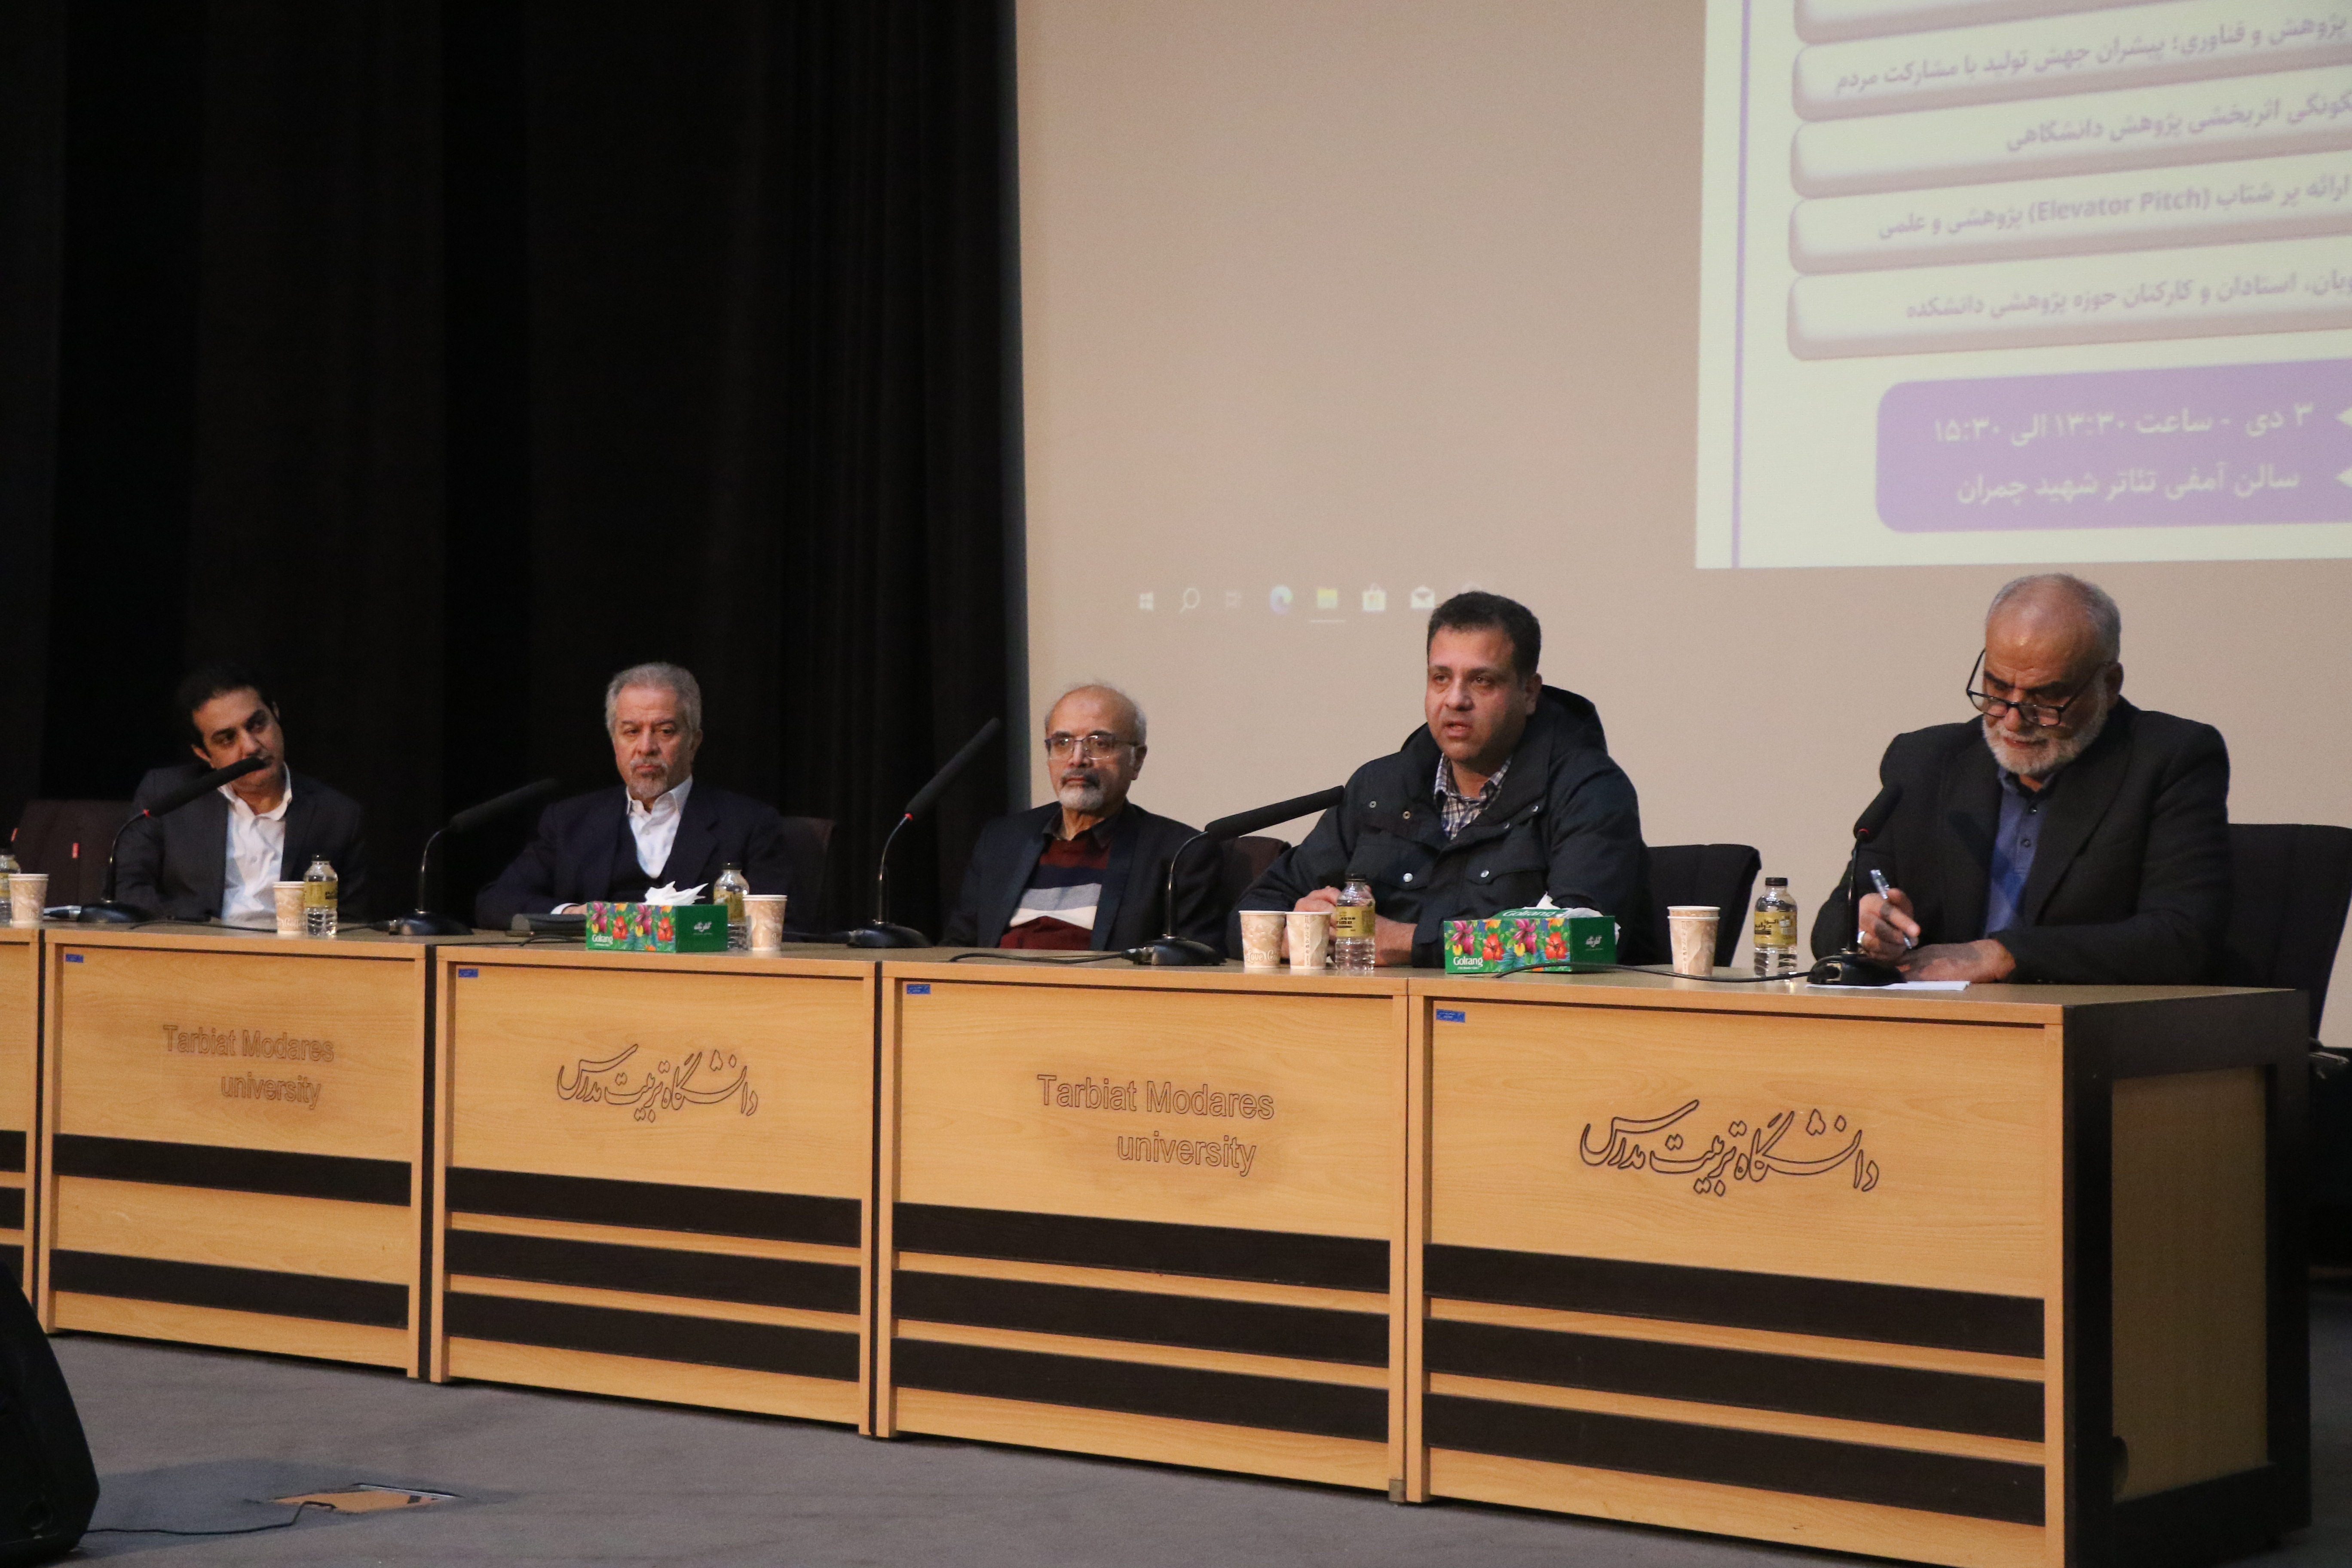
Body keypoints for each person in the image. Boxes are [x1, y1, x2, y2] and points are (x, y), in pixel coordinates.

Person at [1811, 573, 2230, 985]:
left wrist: (2004, 956)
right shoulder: (1925, 761)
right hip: (1936, 1021)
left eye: (2045, 699)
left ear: (2109, 684)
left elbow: (2183, 938)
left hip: (2087, 1022)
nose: (2013, 720)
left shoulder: (2170, 759)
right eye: (1996, 689)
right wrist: (1865, 932)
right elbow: (1830, 928)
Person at [1233, 592, 1652, 966]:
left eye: (1482, 681)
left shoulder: (1590, 790)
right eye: (1441, 678)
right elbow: (1245, 917)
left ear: (1529, 693)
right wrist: (1297, 933)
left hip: (1529, 1022)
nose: (1455, 699)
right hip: (1381, 1018)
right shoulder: (1380, 788)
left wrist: (1403, 941)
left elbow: (1585, 938)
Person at [476, 662, 796, 927]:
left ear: (694, 742)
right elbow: (496, 902)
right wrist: (573, 915)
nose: (646, 747)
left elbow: (781, 926)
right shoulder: (570, 821)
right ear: (614, 742)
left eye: (665, 731)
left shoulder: (748, 824)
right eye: (631, 731)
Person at [943, 684, 1222, 952]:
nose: (1077, 759)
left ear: (1136, 760)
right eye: (1062, 743)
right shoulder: (1002, 841)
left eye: (1100, 744)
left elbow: (1194, 962)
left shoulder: (1179, 853)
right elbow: (956, 948)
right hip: (996, 985)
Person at [116, 665, 370, 924]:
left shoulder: (338, 815)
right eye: (227, 739)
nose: (250, 747)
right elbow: (128, 888)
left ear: (276, 714)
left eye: (258, 725)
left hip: (291, 948)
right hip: (196, 944)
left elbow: (351, 921)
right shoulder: (167, 795)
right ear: (205, 754)